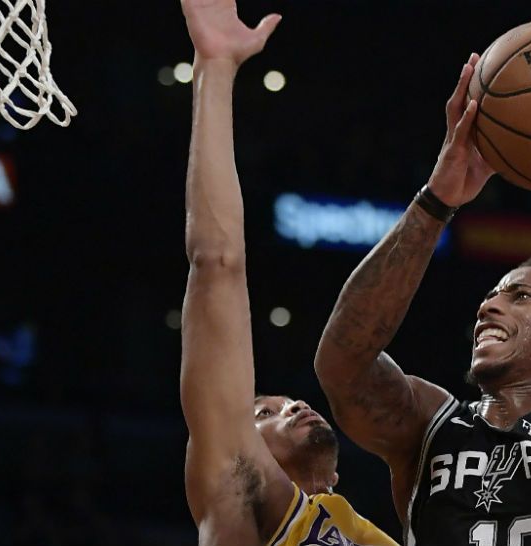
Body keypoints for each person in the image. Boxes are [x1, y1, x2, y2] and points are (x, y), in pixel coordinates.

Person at [314, 57, 531, 545]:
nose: (487, 308)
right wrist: (437, 199)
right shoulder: (427, 426)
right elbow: (341, 363)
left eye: (519, 296)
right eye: (490, 296)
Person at [177, 1, 399, 544]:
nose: (293, 404)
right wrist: (217, 68)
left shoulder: (368, 534)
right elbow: (217, 264)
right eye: (263, 412)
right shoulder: (239, 489)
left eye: (278, 404)